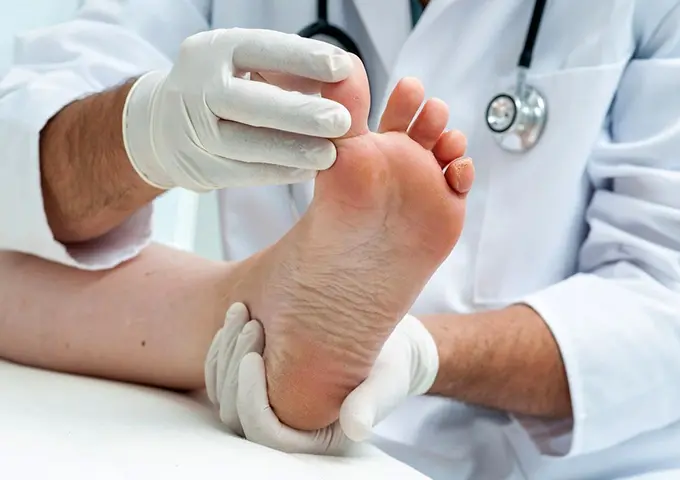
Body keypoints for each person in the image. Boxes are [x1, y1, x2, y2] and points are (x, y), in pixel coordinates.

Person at [1, 0, 680, 478]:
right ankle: (264, 309)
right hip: (260, 423)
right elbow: (18, 150)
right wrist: (141, 131)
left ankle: (266, 315)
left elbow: (665, 303)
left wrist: (416, 351)